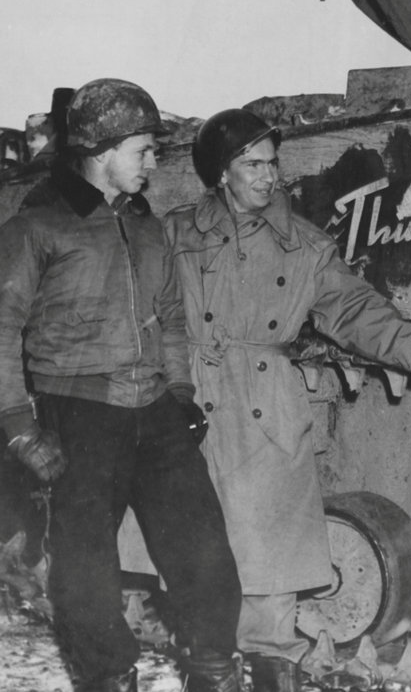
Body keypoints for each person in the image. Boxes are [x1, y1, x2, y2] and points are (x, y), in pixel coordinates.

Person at [158, 108, 411, 692]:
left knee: (269, 557)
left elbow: (354, 311)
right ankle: (208, 668)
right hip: (188, 396)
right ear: (220, 174)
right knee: (196, 551)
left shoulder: (304, 244)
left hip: (265, 405)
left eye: (272, 163)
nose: (267, 176)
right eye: (250, 164)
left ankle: (274, 668)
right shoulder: (175, 233)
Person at [0, 79, 243, 692]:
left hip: (154, 409)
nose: (155, 163)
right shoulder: (38, 227)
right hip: (77, 412)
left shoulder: (145, 226)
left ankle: (214, 670)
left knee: (204, 552)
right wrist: (21, 431)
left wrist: (182, 395)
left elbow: (173, 320)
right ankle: (110, 678)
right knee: (84, 573)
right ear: (101, 151)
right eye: (144, 150)